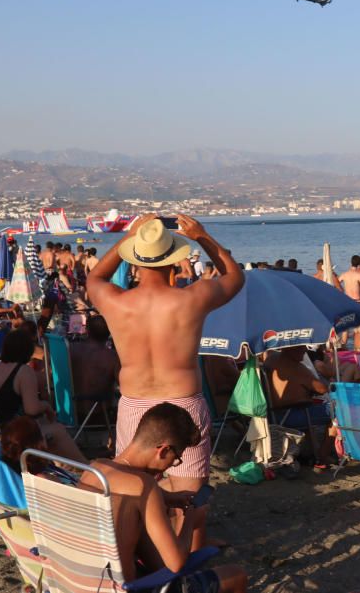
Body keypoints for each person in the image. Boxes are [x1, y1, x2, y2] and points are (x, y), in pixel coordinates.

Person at [86, 214, 244, 497]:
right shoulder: (192, 299)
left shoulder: (115, 302)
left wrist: (129, 236)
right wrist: (202, 237)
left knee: (134, 488)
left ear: (134, 259)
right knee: (189, 492)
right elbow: (235, 277)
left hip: (135, 402)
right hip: (182, 400)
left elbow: (95, 277)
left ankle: (146, 537)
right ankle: (193, 541)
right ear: (173, 259)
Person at [80, 403, 248, 592]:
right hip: (127, 588)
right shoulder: (144, 486)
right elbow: (176, 563)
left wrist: (167, 497)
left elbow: (124, 497)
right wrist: (190, 517)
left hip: (79, 584)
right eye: (176, 459)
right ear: (163, 450)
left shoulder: (94, 470)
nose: (171, 465)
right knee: (236, 574)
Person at [0, 329, 86, 463]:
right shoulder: (23, 371)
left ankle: (60, 466)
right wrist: (47, 407)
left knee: (44, 425)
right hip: (7, 434)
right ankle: (86, 467)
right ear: (28, 350)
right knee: (57, 430)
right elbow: (31, 409)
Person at [264, 346, 333, 467]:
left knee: (308, 403)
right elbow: (322, 389)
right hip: (291, 416)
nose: (305, 350)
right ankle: (324, 455)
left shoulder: (271, 358)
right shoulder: (298, 368)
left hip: (273, 415)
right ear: (291, 349)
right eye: (301, 347)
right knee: (337, 411)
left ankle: (313, 452)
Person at [69, 315, 121, 422]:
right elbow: (124, 386)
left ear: (87, 330)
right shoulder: (112, 357)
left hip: (72, 413)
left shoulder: (70, 349)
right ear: (109, 332)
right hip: (100, 416)